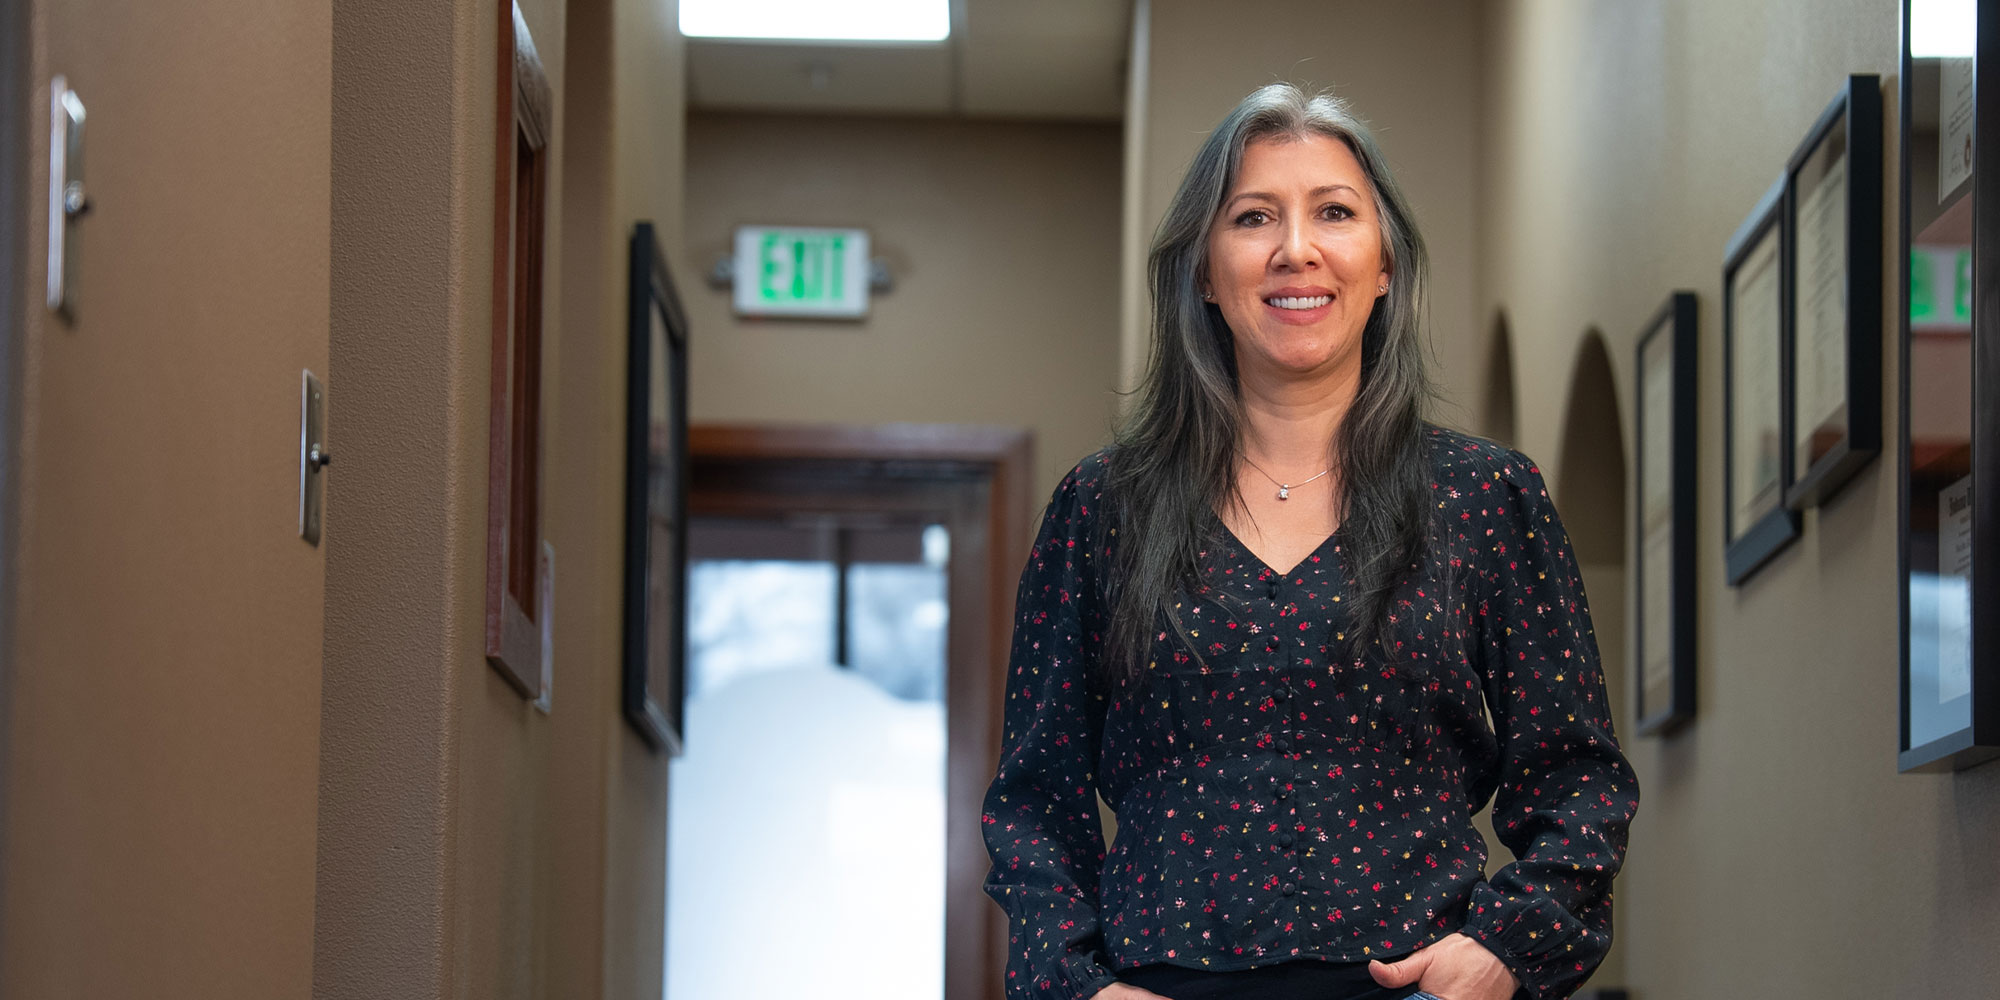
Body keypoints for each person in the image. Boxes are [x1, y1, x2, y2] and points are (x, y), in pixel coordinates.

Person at [979, 83, 1638, 1000]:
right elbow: (1035, 798)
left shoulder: (1487, 497)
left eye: (1334, 212)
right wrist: (1077, 985)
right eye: (1254, 217)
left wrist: (1505, 951)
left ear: (1385, 266)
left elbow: (1578, 777)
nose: (1297, 250)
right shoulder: (1103, 506)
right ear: (1205, 271)